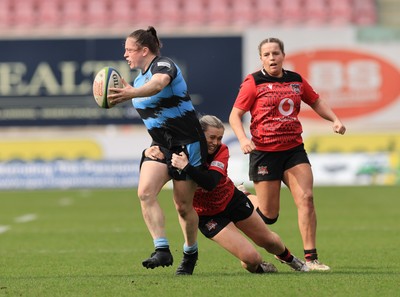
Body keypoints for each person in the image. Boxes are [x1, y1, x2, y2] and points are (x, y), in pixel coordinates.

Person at [229, 37, 346, 271]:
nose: (272, 58)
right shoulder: (253, 82)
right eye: (267, 55)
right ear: (261, 58)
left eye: (276, 53)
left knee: (307, 199)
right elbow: (235, 115)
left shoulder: (296, 80)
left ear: (283, 55)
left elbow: (316, 101)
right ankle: (242, 198)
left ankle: (312, 259)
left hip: (293, 150)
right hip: (264, 153)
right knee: (269, 216)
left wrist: (335, 119)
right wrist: (243, 140)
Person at [108, 26, 207, 275]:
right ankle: (161, 249)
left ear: (144, 50)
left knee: (183, 206)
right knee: (145, 193)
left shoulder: (164, 66)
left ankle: (190, 252)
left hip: (188, 144)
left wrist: (131, 92)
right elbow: (149, 102)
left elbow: (157, 85)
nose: (125, 55)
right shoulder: (139, 79)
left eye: (129, 50)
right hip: (160, 147)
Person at [167, 115, 309, 273]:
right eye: (211, 137)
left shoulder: (221, 150)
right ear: (199, 135)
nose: (215, 142)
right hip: (208, 216)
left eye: (219, 138)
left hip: (232, 201)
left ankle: (290, 259)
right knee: (251, 258)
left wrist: (187, 167)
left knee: (269, 242)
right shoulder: (182, 151)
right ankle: (260, 268)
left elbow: (210, 182)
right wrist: (152, 152)